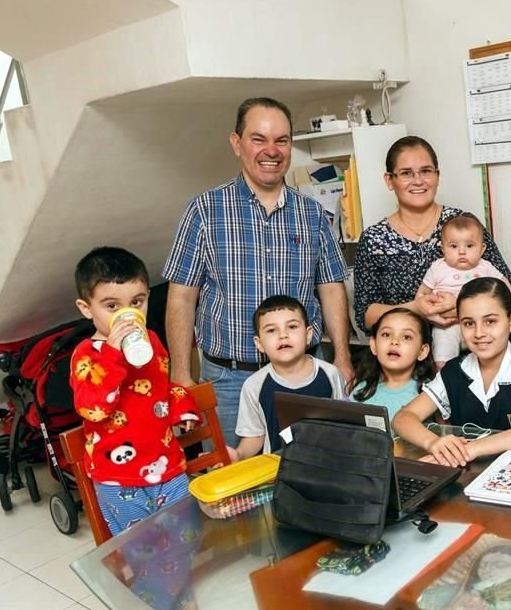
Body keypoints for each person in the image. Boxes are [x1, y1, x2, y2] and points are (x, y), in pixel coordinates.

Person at [163, 97, 352, 445]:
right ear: (236, 143)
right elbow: (182, 295)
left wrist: (341, 356)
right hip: (229, 379)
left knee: (314, 471)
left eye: (281, 140)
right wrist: (180, 373)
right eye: (258, 139)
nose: (272, 150)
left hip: (304, 375)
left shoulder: (311, 214)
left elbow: (331, 286)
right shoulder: (204, 211)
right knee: (233, 487)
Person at [70, 247, 199, 536]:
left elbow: (161, 387)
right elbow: (93, 408)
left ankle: (181, 582)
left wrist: (180, 407)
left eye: (136, 302)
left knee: (186, 538)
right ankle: (149, 584)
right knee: (141, 548)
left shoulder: (151, 340)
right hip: (118, 478)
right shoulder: (87, 355)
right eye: (112, 306)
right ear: (86, 308)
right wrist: (113, 355)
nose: (128, 315)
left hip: (168, 465)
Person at [353, 136, 511, 335]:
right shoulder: (373, 239)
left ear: (437, 175)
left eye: (426, 171)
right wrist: (415, 308)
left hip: (475, 342)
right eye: (406, 173)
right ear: (390, 180)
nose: (418, 181)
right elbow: (365, 315)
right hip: (404, 351)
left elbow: (509, 291)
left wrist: (460, 309)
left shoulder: (463, 224)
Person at [393, 278, 511, 468]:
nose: (479, 333)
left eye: (490, 321)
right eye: (468, 323)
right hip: (466, 474)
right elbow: (403, 418)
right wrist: (434, 444)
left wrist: (470, 449)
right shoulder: (454, 372)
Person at [228, 295, 346, 460]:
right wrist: (238, 455)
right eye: (271, 330)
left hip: (327, 467)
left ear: (308, 334)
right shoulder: (254, 385)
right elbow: (254, 436)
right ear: (259, 343)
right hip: (279, 472)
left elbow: (344, 426)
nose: (283, 335)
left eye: (292, 327)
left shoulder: (330, 374)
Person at [417, 213, 510, 365]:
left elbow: (507, 289)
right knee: (443, 354)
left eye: (469, 246)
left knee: (495, 355)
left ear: (482, 249)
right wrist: (424, 305)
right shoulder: (437, 268)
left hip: (481, 324)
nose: (462, 251)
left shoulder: (486, 267)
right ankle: (444, 379)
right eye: (453, 246)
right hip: (447, 325)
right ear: (443, 249)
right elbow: (422, 293)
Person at [349, 307, 436, 421]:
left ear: (422, 351)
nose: (394, 341)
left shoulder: (431, 392)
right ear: (374, 345)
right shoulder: (362, 389)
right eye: (386, 334)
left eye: (406, 337)